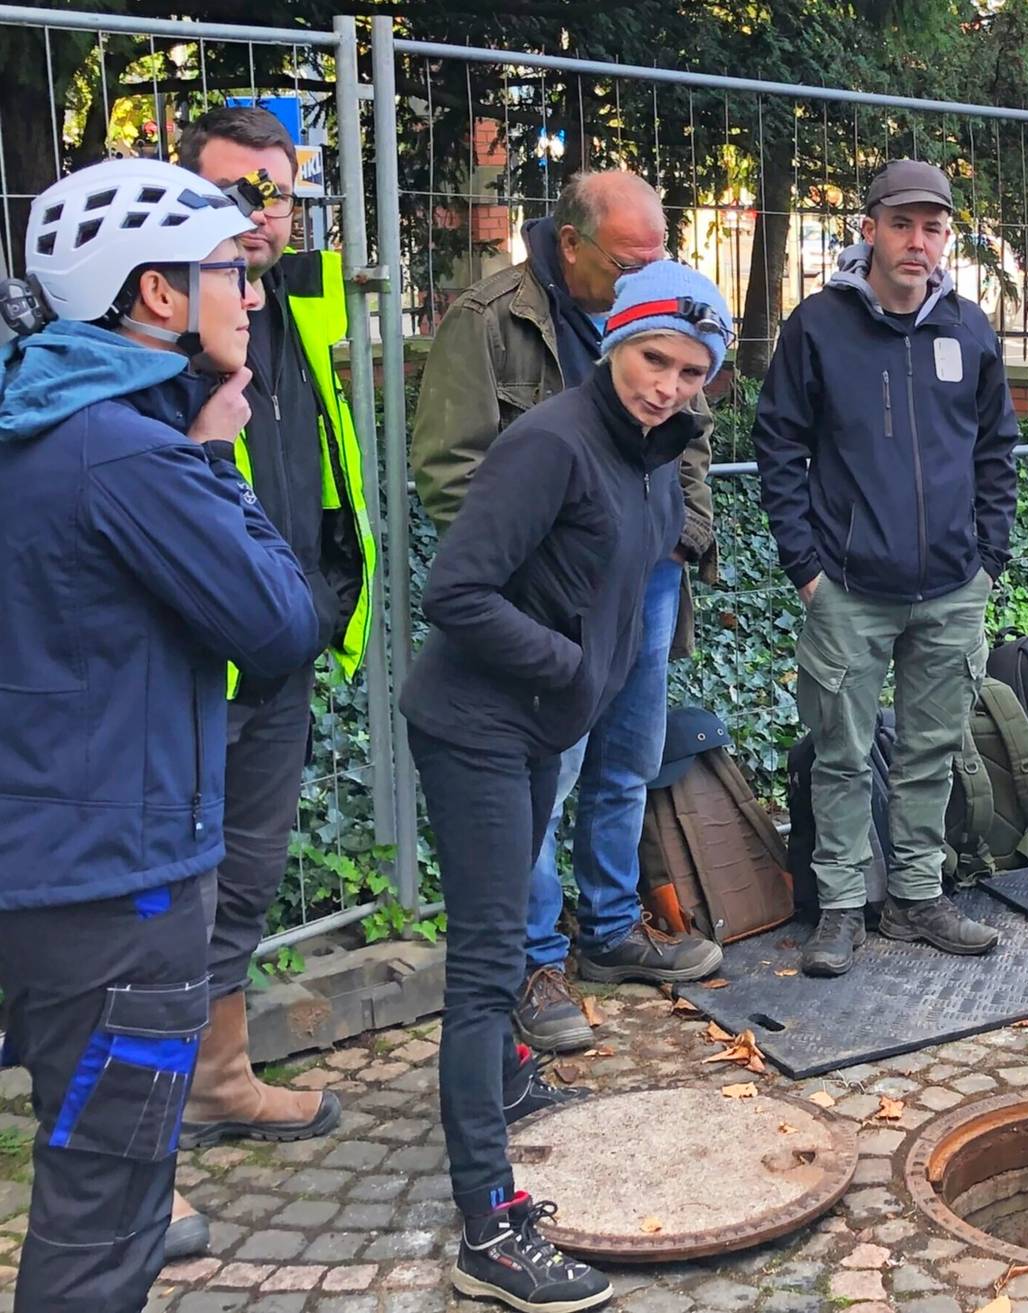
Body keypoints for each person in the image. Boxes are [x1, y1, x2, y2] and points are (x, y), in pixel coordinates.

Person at [0, 157, 322, 1312]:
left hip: (52, 869)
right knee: (107, 1215)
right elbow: (280, 622)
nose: (255, 292)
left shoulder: (37, 419)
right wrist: (213, 455)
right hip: (116, 889)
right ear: (155, 294)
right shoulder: (130, 454)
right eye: (231, 269)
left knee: (90, 1179)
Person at [401, 261, 731, 1313]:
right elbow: (456, 592)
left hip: (542, 726)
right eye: (652, 359)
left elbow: (613, 593)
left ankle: (502, 1079)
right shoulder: (552, 441)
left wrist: (582, 681)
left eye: (691, 371)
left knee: (501, 952)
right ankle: (488, 1229)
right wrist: (571, 669)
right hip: (476, 724)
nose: (667, 385)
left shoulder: (652, 455)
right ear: (613, 342)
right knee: (489, 962)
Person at [412, 169, 722, 1056]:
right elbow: (451, 467)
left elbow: (689, 439)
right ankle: (535, 958)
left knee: (627, 760)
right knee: (542, 778)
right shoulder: (490, 318)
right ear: (573, 243)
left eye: (655, 259)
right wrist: (550, 559)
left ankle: (612, 928)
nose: (643, 277)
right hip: (549, 598)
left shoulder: (671, 319)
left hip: (647, 578)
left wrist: (680, 535)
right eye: (627, 263)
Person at [157, 106, 376, 1252]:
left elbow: (321, 460)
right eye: (233, 191)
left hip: (278, 653)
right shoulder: (147, 337)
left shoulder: (291, 305)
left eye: (276, 192)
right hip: (187, 670)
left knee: (241, 883)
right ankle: (130, 1155)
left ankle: (220, 1076)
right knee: (156, 910)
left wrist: (326, 601)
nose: (259, 214)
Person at [755, 159, 1020, 978]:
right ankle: (840, 907)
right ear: (868, 229)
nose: (917, 242)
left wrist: (988, 559)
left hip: (952, 587)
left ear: (947, 238)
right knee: (840, 753)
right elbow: (778, 446)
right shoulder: (819, 327)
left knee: (932, 751)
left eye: (933, 228)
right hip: (848, 589)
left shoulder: (968, 329)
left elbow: (997, 449)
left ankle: (915, 895)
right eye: (901, 224)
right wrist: (806, 567)